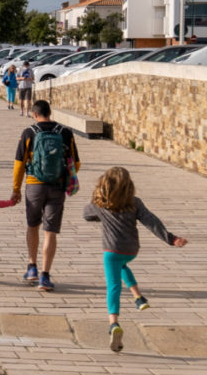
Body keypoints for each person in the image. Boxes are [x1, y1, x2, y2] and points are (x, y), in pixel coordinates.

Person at [83, 166, 187, 352]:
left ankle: (113, 323)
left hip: (111, 250)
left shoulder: (100, 203)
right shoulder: (135, 202)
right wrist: (171, 238)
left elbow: (86, 215)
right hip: (131, 250)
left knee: (113, 286)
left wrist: (98, 202)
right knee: (122, 264)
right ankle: (139, 297)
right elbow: (152, 222)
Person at [10, 99, 81, 291]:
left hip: (34, 185)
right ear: (50, 113)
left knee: (32, 225)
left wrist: (16, 189)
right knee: (50, 231)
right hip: (57, 186)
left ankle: (31, 267)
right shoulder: (65, 132)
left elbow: (19, 164)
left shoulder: (29, 133)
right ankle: (45, 276)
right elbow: (76, 163)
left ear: (34, 114)